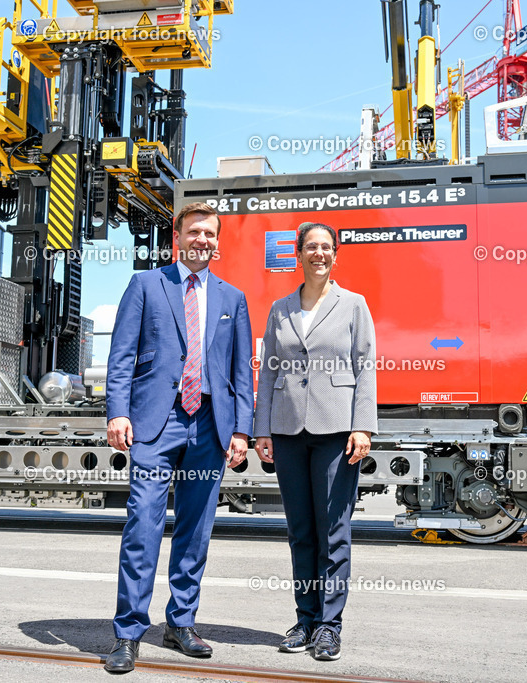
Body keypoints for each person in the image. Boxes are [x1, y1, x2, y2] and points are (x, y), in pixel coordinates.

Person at [103, 202, 254, 674]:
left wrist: (242, 430)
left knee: (196, 528)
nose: (202, 241)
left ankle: (181, 622)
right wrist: (117, 413)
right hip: (155, 423)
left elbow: (240, 374)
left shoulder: (233, 298)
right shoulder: (147, 284)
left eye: (210, 234)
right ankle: (129, 632)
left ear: (217, 241)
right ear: (178, 235)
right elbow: (121, 355)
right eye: (195, 232)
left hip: (209, 424)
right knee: (143, 524)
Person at [253, 222, 377, 662]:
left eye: (326, 247)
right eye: (311, 247)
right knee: (300, 531)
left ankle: (329, 625)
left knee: (333, 531)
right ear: (299, 254)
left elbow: (366, 367)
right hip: (288, 431)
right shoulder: (280, 307)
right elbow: (268, 370)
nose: (319, 253)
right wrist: (261, 428)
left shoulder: (354, 305)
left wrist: (363, 426)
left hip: (336, 431)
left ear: (335, 254)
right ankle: (305, 619)